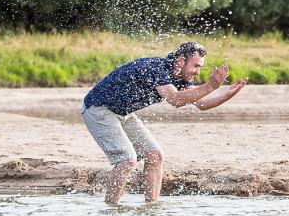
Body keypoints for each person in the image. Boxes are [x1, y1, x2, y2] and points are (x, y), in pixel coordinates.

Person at [81, 42, 248, 206]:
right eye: (196, 66)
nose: (198, 72)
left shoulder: (182, 76)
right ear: (181, 61)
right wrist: (211, 85)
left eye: (200, 67)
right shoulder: (156, 67)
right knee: (127, 160)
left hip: (122, 113)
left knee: (155, 156)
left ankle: (152, 208)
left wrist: (227, 95)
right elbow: (175, 100)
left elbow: (201, 104)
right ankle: (111, 209)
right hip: (98, 109)